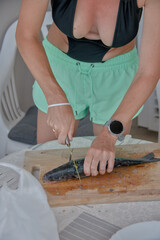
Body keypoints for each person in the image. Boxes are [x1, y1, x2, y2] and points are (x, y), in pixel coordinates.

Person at [16, 0, 160, 177]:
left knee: (107, 171)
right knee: (49, 166)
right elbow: (26, 34)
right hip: (59, 71)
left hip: (115, 76)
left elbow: (149, 71)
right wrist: (55, 97)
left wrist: (110, 135)